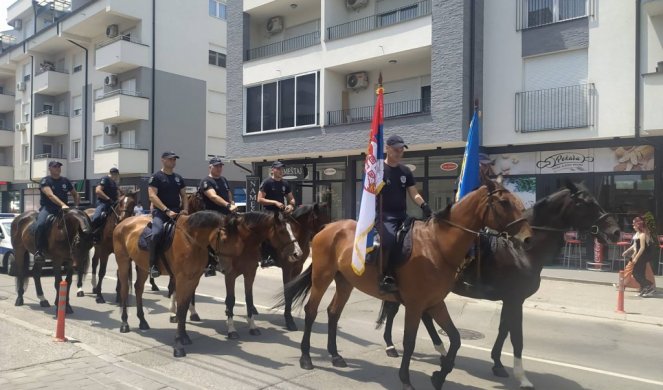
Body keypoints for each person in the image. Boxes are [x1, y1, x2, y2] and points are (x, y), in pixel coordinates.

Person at [377, 135, 432, 294]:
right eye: (396, 149)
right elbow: (369, 191)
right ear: (387, 148)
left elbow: (413, 193)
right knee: (388, 241)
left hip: (401, 215)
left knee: (417, 239)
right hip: (383, 215)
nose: (399, 152)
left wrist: (424, 205)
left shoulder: (405, 171)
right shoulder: (378, 169)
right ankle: (386, 276)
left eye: (402, 150)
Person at [147, 151, 188, 278]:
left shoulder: (178, 178)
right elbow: (152, 196)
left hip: (176, 211)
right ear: (163, 160)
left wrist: (185, 209)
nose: (173, 161)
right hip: (160, 212)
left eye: (174, 159)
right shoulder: (156, 177)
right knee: (156, 233)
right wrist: (166, 210)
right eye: (170, 159)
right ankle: (152, 265)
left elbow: (184, 196)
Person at [34, 160, 80, 264]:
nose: (58, 168)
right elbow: (50, 195)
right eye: (55, 167)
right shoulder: (45, 181)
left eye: (59, 167)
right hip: (48, 208)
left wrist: (76, 206)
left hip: (64, 210)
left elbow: (75, 194)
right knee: (40, 225)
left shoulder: (65, 181)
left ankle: (78, 248)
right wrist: (62, 204)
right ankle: (39, 251)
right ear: (50, 169)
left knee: (79, 223)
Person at [198, 157, 237, 276]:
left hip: (226, 213)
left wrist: (232, 202)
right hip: (211, 215)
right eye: (216, 166)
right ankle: (210, 264)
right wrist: (227, 204)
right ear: (210, 167)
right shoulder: (206, 181)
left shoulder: (223, 179)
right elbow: (213, 196)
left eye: (220, 166)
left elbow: (228, 193)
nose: (219, 168)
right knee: (212, 237)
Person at [257, 160, 295, 268]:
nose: (280, 171)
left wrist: (291, 206)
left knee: (290, 230)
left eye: (282, 169)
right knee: (268, 234)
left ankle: (289, 253)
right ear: (273, 170)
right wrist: (274, 202)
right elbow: (259, 199)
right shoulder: (267, 182)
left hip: (281, 213)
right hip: (268, 213)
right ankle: (265, 258)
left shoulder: (285, 183)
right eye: (278, 169)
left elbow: (291, 198)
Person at [622, 216, 656, 297]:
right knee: (639, 274)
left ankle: (649, 286)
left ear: (638, 226)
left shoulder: (643, 235)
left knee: (637, 274)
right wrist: (627, 252)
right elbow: (634, 246)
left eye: (634, 225)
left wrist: (636, 258)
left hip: (642, 257)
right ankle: (645, 288)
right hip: (638, 256)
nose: (633, 226)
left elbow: (642, 248)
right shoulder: (638, 234)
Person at [90, 167, 120, 242]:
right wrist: (108, 199)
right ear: (113, 174)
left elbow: (117, 194)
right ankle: (93, 235)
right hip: (104, 203)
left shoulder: (114, 183)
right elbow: (98, 190)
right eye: (115, 175)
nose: (116, 177)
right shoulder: (105, 179)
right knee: (97, 217)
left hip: (114, 204)